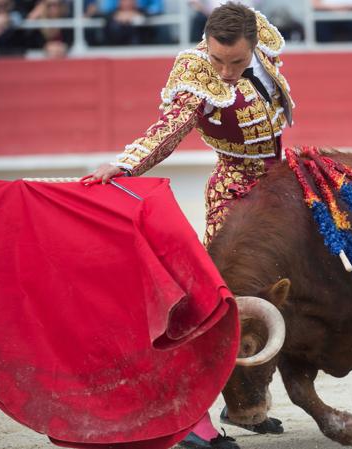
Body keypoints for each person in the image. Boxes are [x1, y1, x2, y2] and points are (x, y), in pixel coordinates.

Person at [81, 2, 293, 448]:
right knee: (217, 306)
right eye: (217, 59)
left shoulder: (262, 46)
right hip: (234, 194)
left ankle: (248, 405)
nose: (225, 70)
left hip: (281, 188)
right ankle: (195, 422)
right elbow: (170, 127)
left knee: (289, 287)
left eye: (235, 62)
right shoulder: (197, 74)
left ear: (253, 47)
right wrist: (125, 164)